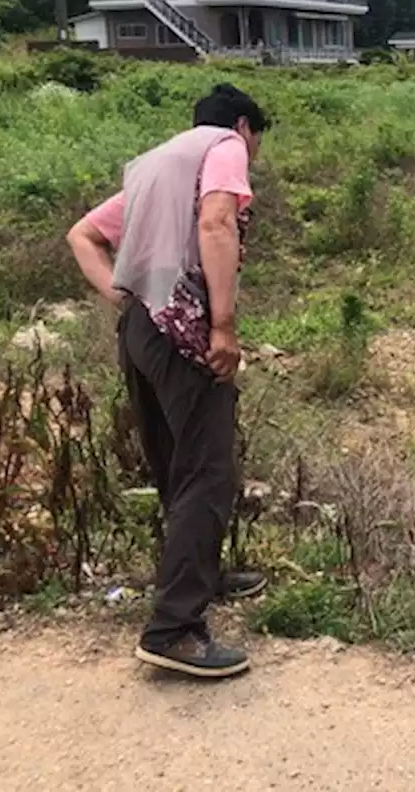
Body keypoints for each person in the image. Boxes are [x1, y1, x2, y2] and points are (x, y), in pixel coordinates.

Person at [66, 83, 269, 678]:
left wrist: (123, 298)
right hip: (185, 334)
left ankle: (199, 574)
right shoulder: (224, 147)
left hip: (141, 330)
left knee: (177, 466)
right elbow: (216, 221)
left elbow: (83, 234)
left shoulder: (157, 164)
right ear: (241, 126)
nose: (250, 155)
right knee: (207, 469)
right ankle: (175, 629)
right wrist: (224, 327)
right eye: (254, 140)